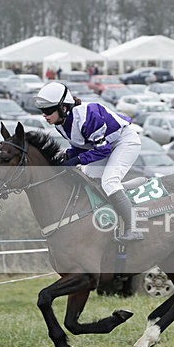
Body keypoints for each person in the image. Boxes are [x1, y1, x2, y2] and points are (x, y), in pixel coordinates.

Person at [33, 81, 143, 241]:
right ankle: (110, 210)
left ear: (63, 108)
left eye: (48, 111)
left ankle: (133, 229)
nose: (45, 115)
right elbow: (83, 147)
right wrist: (66, 157)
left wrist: (75, 160)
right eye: (42, 111)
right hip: (106, 145)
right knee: (89, 179)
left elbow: (102, 150)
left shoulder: (87, 116)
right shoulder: (60, 124)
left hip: (124, 141)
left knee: (110, 182)